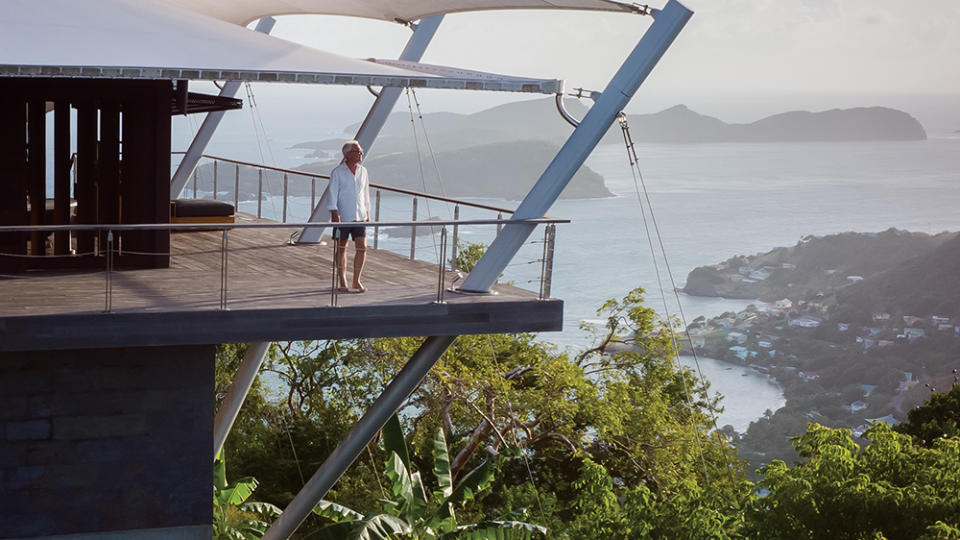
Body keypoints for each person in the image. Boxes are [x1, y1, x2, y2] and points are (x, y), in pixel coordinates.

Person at [327, 140, 371, 293]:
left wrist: (367, 212)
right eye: (357, 151)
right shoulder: (337, 172)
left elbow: (365, 193)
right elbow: (332, 192)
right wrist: (334, 212)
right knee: (341, 248)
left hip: (359, 215)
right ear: (347, 154)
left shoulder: (363, 171)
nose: (361, 154)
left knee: (362, 247)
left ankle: (356, 280)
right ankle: (342, 281)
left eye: (361, 151)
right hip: (343, 216)